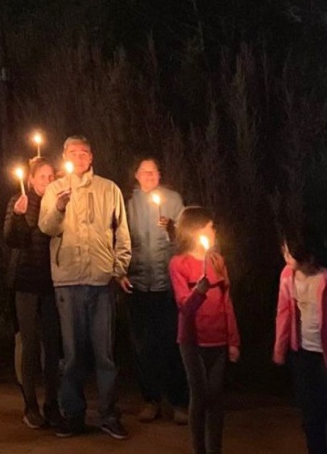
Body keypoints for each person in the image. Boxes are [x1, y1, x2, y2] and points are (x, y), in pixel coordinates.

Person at [38, 136, 131, 439]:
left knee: (105, 354)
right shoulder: (55, 189)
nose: (78, 157)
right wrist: (59, 207)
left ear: (91, 157)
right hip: (68, 281)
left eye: (84, 153)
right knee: (73, 354)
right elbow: (46, 227)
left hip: (100, 281)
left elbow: (122, 233)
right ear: (64, 156)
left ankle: (108, 414)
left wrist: (118, 269)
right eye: (72, 153)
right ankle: (73, 414)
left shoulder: (109, 189)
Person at [274, 230, 327, 454]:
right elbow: (283, 313)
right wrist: (280, 349)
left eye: (290, 253)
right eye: (285, 251)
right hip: (303, 354)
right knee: (310, 415)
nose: (286, 257)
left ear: (308, 256)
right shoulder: (287, 276)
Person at [169, 207, 240, 454]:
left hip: (218, 339)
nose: (214, 231)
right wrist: (198, 292)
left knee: (216, 397)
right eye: (210, 227)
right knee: (199, 395)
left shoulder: (217, 261)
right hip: (192, 341)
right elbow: (184, 307)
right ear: (196, 230)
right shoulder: (179, 264)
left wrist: (233, 341)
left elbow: (227, 302)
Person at [123, 157, 188, 424]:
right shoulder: (128, 204)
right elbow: (120, 240)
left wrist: (173, 231)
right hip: (137, 285)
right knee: (143, 347)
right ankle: (150, 399)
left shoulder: (173, 200)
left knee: (171, 344)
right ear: (136, 175)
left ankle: (178, 400)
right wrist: (120, 272)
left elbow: (184, 242)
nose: (149, 176)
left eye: (154, 172)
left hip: (166, 285)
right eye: (144, 172)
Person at [3, 157, 62, 429]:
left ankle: (52, 403)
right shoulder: (19, 201)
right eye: (42, 177)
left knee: (52, 345)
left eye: (51, 177)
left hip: (51, 282)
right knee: (28, 344)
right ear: (30, 180)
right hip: (25, 281)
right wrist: (18, 216)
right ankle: (30, 404)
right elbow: (11, 239)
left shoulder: (58, 202)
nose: (47, 181)